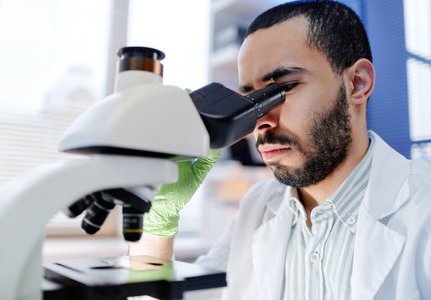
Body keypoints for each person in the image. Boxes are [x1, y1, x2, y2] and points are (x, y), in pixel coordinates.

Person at [129, 1, 431, 299]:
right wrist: (157, 221)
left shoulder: (423, 211)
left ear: (357, 83)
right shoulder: (257, 208)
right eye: (251, 97)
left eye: (281, 88)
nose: (261, 120)